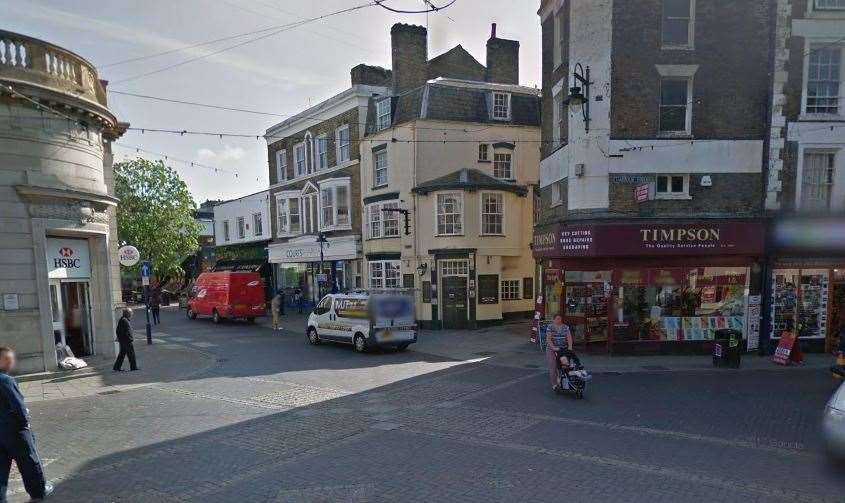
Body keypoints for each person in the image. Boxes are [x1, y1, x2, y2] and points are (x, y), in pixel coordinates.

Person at [0, 347, 53, 501]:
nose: (11, 362)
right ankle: (38, 492)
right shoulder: (6, 380)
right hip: (15, 430)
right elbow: (19, 406)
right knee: (29, 462)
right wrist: (25, 424)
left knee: (1, 469)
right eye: (8, 359)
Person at [545, 314, 581, 391]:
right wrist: (554, 348)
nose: (559, 320)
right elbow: (548, 339)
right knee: (553, 366)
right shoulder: (550, 327)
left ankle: (562, 381)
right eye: (557, 319)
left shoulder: (565, 327)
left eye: (560, 319)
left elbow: (569, 338)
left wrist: (570, 348)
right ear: (554, 319)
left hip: (562, 348)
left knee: (564, 365)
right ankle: (554, 384)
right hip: (552, 349)